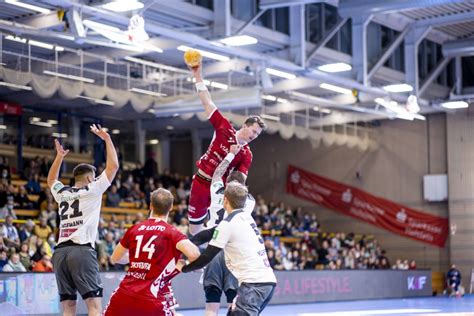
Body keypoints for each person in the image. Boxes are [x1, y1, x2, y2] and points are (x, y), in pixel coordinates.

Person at [187, 63, 266, 235]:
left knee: (218, 231)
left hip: (219, 192)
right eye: (253, 131)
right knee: (194, 230)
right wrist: (198, 75)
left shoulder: (247, 155)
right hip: (201, 182)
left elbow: (240, 181)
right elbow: (207, 101)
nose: (254, 136)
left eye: (258, 134)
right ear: (245, 126)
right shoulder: (224, 128)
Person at [48, 124, 119, 316]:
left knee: (68, 308)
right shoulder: (93, 189)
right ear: (90, 178)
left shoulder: (63, 193)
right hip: (81, 251)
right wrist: (107, 139)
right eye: (94, 177)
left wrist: (59, 157)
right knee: (94, 307)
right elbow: (113, 167)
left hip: (60, 253)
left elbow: (51, 181)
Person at [179, 182, 276, 316]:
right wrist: (184, 243)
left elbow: (207, 257)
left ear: (225, 200)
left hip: (253, 286)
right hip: (266, 283)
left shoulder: (228, 224)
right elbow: (209, 233)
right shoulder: (246, 218)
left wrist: (184, 268)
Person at [103, 188, 200, 316]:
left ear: (150, 205)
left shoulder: (134, 229)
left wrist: (139, 259)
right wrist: (182, 266)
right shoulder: (172, 232)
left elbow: (114, 258)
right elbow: (195, 255)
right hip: (151, 299)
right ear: (171, 207)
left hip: (124, 295)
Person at [196, 144, 256, 316]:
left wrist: (230, 155)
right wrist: (244, 161)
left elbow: (217, 174)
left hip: (213, 248)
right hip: (233, 252)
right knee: (233, 304)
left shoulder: (217, 192)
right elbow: (241, 185)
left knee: (211, 305)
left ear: (228, 182)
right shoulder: (249, 201)